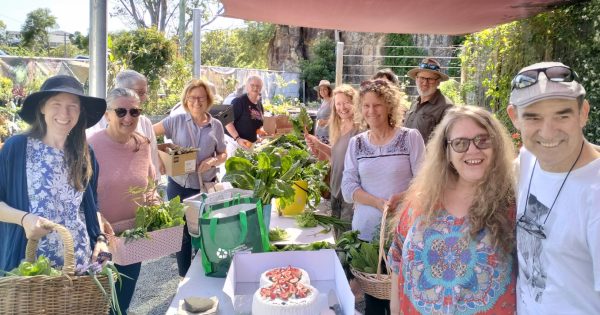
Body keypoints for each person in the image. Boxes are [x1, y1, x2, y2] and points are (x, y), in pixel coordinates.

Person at [389, 105, 517, 314]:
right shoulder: (421, 202)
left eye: (483, 140)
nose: (473, 150)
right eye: (460, 143)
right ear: (446, 152)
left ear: (497, 146)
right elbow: (396, 258)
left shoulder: (514, 206)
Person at [506, 61, 600, 314]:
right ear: (514, 118)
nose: (548, 133)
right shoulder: (528, 159)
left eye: (562, 115)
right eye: (533, 117)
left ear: (583, 113)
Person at [0, 75, 109, 271]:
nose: (64, 113)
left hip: (79, 266)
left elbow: (91, 208)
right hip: (30, 270)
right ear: (42, 107)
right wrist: (24, 219)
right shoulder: (17, 148)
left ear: (80, 111)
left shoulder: (85, 152)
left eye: (73, 106)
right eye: (56, 104)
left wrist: (101, 240)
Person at [341, 79, 425, 314]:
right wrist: (376, 202)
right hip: (368, 236)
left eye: (377, 105)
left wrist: (403, 197)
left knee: (406, 299)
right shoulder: (356, 144)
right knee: (375, 304)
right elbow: (348, 188)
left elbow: (425, 182)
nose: (371, 111)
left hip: (403, 232)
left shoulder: (410, 138)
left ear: (389, 106)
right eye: (366, 106)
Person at [88, 88, 155, 314]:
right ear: (107, 114)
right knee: (101, 300)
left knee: (121, 302)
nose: (128, 118)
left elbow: (150, 185)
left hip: (131, 240)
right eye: (120, 111)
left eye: (135, 112)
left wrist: (157, 207)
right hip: (100, 241)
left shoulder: (143, 144)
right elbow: (81, 197)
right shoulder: (90, 147)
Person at [153, 79, 227, 277]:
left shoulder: (216, 125)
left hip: (204, 187)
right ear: (186, 99)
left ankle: (202, 274)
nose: (196, 101)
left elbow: (223, 154)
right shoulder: (175, 121)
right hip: (178, 186)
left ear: (208, 100)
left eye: (201, 97)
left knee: (204, 232)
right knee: (181, 234)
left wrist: (212, 162)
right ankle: (184, 276)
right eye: (192, 97)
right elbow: (147, 134)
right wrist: (159, 154)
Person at [304, 84, 361, 239]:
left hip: (351, 189)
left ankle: (345, 263)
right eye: (338, 104)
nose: (342, 107)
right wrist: (318, 145)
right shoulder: (338, 125)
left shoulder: (361, 129)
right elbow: (334, 156)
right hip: (336, 185)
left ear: (355, 102)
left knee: (348, 232)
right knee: (337, 231)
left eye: (346, 102)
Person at [87, 70, 160, 179]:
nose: (145, 98)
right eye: (140, 92)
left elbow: (152, 162)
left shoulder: (145, 127)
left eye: (134, 112)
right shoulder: (95, 131)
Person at [404, 57, 454, 143]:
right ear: (416, 79)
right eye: (422, 78)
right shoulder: (414, 103)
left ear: (438, 82)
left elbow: (447, 142)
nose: (425, 82)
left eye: (430, 79)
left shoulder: (446, 108)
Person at [225, 75, 265, 149]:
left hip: (249, 145)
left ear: (261, 88)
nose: (255, 88)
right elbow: (227, 121)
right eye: (252, 85)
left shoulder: (259, 104)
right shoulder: (239, 101)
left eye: (258, 86)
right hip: (236, 144)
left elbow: (258, 124)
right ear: (247, 86)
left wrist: (261, 134)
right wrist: (237, 138)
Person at [314, 79, 333, 144]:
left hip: (327, 136)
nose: (322, 91)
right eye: (321, 90)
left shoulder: (332, 101)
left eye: (325, 89)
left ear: (329, 90)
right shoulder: (323, 101)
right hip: (319, 134)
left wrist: (326, 121)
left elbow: (338, 117)